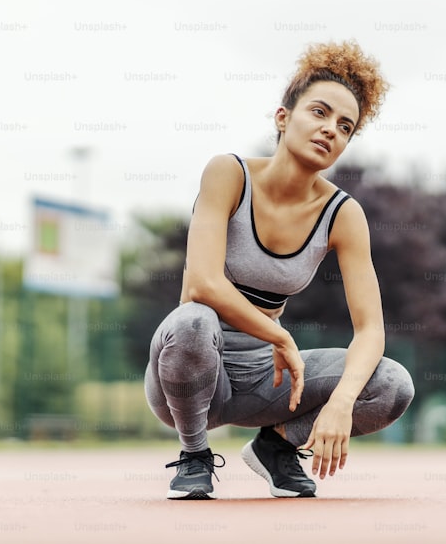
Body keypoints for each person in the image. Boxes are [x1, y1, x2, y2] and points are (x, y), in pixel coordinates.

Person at [144, 40, 415, 499]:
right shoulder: (228, 173)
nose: (330, 129)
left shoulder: (343, 214)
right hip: (190, 378)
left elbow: (370, 330)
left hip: (268, 385)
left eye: (344, 126)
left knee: (391, 383)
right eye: (320, 112)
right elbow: (201, 283)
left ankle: (275, 448)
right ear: (284, 117)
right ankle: (194, 456)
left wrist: (342, 403)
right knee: (192, 320)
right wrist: (278, 335)